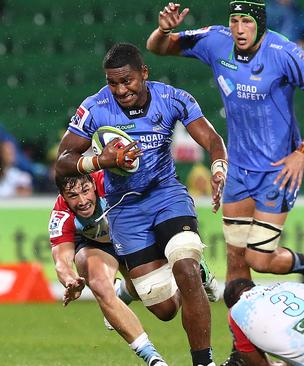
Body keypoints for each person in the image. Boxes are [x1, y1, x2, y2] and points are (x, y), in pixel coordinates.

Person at [146, 1, 304, 289]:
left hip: (278, 171)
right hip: (238, 171)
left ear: (260, 23)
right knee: (235, 259)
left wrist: (303, 152)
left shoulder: (283, 52)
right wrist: (163, 30)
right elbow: (158, 48)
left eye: (246, 22)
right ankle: (241, 335)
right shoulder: (216, 40)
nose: (239, 29)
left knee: (259, 260)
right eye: (234, 21)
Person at [54, 43, 227, 366]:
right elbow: (63, 162)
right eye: (113, 83)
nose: (121, 90)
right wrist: (99, 161)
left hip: (166, 195)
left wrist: (219, 167)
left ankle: (204, 362)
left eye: (128, 81)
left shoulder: (174, 99)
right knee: (164, 310)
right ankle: (180, 269)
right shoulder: (94, 108)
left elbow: (213, 140)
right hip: (125, 209)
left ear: (144, 73)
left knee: (185, 266)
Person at [49, 172, 168, 366]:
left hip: (129, 237)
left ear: (93, 184)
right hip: (95, 245)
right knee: (99, 283)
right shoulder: (61, 215)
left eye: (85, 191)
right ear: (63, 197)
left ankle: (123, 293)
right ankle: (153, 358)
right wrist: (70, 280)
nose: (82, 201)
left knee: (165, 309)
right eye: (73, 196)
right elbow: (61, 261)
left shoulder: (111, 183)